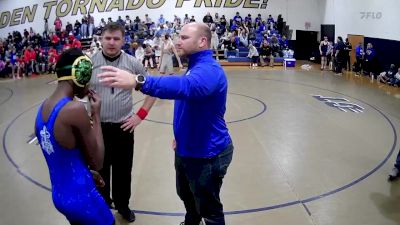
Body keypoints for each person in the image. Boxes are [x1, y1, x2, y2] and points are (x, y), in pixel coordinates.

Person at [98, 22, 234, 225]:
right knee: (187, 196)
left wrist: (138, 81)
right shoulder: (193, 67)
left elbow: (186, 87)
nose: (179, 41)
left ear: (202, 41)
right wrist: (180, 136)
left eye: (185, 38)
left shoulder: (210, 70)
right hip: (187, 147)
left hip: (207, 153)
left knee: (209, 208)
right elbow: (189, 106)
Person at [35, 48, 114, 225]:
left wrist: (89, 173)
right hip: (82, 196)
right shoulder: (74, 109)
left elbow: (62, 157)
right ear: (80, 75)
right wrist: (96, 114)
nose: (89, 84)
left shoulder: (42, 108)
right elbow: (99, 161)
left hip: (60, 196)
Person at [89, 22, 157, 223]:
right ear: (101, 39)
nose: (111, 42)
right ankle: (102, 207)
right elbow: (77, 93)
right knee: (99, 170)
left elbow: (152, 89)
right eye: (107, 38)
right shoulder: (89, 63)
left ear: (123, 40)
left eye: (116, 38)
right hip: (97, 129)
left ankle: (122, 205)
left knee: (123, 169)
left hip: (123, 128)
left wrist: (140, 115)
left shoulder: (132, 64)